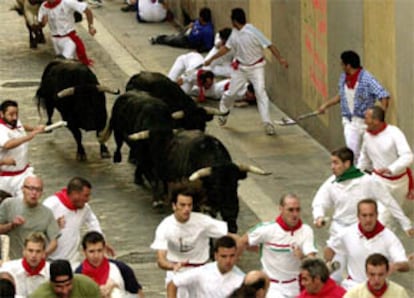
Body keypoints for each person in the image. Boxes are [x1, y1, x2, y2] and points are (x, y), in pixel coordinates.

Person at [204, 7, 289, 136]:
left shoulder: (254, 31)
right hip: (240, 69)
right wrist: (211, 59)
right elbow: (226, 49)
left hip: (256, 68)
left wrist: (281, 59)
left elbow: (269, 45)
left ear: (234, 21)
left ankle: (267, 123)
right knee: (231, 93)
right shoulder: (234, 34)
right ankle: (223, 112)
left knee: (261, 92)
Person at [313, 147, 413, 237]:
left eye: (336, 163)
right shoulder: (331, 182)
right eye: (331, 163)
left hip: (361, 233)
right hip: (338, 231)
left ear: (347, 164)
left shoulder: (368, 181)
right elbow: (320, 201)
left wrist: (406, 224)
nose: (332, 166)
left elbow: (389, 202)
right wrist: (318, 216)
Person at [150, 183, 229, 298]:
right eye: (182, 205)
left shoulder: (203, 221)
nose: (186, 209)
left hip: (201, 272)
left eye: (189, 205)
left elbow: (229, 235)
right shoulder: (165, 227)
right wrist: (173, 266)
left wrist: (246, 242)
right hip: (177, 274)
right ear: (174, 206)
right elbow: (161, 260)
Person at [238, 194, 317, 298]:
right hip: (272, 286)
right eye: (291, 210)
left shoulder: (306, 231)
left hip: (296, 284)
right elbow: (242, 242)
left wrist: (302, 257)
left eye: (298, 210)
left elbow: (313, 261)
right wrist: (262, 250)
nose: (295, 214)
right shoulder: (267, 229)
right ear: (281, 209)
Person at [317, 50, 390, 162]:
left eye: (342, 64)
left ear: (348, 65)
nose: (341, 66)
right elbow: (341, 96)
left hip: (365, 122)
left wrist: (380, 117)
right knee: (352, 152)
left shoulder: (367, 79)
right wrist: (325, 105)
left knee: (370, 152)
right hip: (350, 121)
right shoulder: (343, 78)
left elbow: (383, 95)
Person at [324, 199, 410, 290]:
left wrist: (394, 266)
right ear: (358, 216)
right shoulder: (347, 233)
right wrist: (329, 261)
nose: (368, 219)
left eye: (371, 215)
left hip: (378, 288)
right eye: (364, 215)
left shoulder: (389, 237)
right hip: (352, 287)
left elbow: (404, 264)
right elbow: (330, 249)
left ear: (377, 215)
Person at [358, 106, 414, 225]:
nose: (364, 120)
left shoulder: (394, 132)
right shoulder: (366, 136)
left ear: (376, 120)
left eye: (366, 118)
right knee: (382, 218)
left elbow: (408, 156)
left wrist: (391, 169)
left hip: (400, 184)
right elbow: (364, 159)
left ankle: (388, 242)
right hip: (379, 182)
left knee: (391, 218)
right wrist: (356, 174)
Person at [43, 177, 114, 266]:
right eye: (86, 195)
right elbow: (36, 228)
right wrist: (52, 226)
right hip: (49, 260)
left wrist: (101, 240)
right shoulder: (51, 205)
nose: (88, 199)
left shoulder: (84, 208)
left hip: (72, 260)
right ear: (74, 194)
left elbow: (92, 222)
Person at [0, 176, 59, 260]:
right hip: (12, 260)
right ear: (23, 189)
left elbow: (54, 242)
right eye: (31, 188)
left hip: (35, 263)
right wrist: (11, 225)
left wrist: (42, 254)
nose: (34, 193)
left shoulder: (47, 213)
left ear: (42, 192)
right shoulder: (9, 204)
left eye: (38, 190)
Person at [167, 235, 244, 298]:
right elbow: (173, 283)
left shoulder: (241, 279)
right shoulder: (203, 271)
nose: (228, 261)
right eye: (224, 256)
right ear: (216, 256)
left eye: (232, 256)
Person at [75, 231, 144, 298]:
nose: (96, 256)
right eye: (91, 251)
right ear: (84, 252)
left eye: (99, 250)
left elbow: (138, 292)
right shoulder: (78, 275)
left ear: (104, 249)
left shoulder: (121, 268)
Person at [0, 100, 45, 198]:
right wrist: (30, 136)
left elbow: (22, 126)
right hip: (6, 178)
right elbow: (8, 144)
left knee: (27, 202)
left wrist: (34, 128)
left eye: (16, 113)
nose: (15, 117)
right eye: (11, 114)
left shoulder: (14, 121)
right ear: (2, 114)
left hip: (24, 173)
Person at [38, 0, 96, 65]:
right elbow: (40, 25)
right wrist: (43, 23)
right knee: (63, 64)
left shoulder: (67, 2)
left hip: (69, 39)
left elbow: (87, 10)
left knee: (65, 63)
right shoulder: (44, 6)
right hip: (55, 40)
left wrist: (91, 26)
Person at [0, 232, 50, 297]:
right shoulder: (8, 269)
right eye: (30, 251)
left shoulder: (50, 271)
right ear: (24, 251)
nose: (34, 255)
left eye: (38, 251)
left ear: (43, 253)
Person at [150, 7, 214, 52]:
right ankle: (158, 38)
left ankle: (156, 40)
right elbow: (190, 26)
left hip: (189, 43)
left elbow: (208, 46)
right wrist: (188, 27)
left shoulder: (207, 31)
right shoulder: (198, 22)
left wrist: (198, 50)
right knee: (172, 37)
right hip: (186, 35)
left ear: (202, 18)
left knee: (172, 41)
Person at [344, 253, 409, 298]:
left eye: (380, 274)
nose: (376, 279)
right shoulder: (354, 294)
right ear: (366, 273)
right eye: (372, 274)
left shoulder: (400, 293)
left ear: (387, 273)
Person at [31, 259, 101, 298]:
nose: (65, 291)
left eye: (68, 284)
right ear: (51, 283)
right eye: (59, 287)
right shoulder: (39, 295)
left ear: (73, 279)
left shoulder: (88, 286)